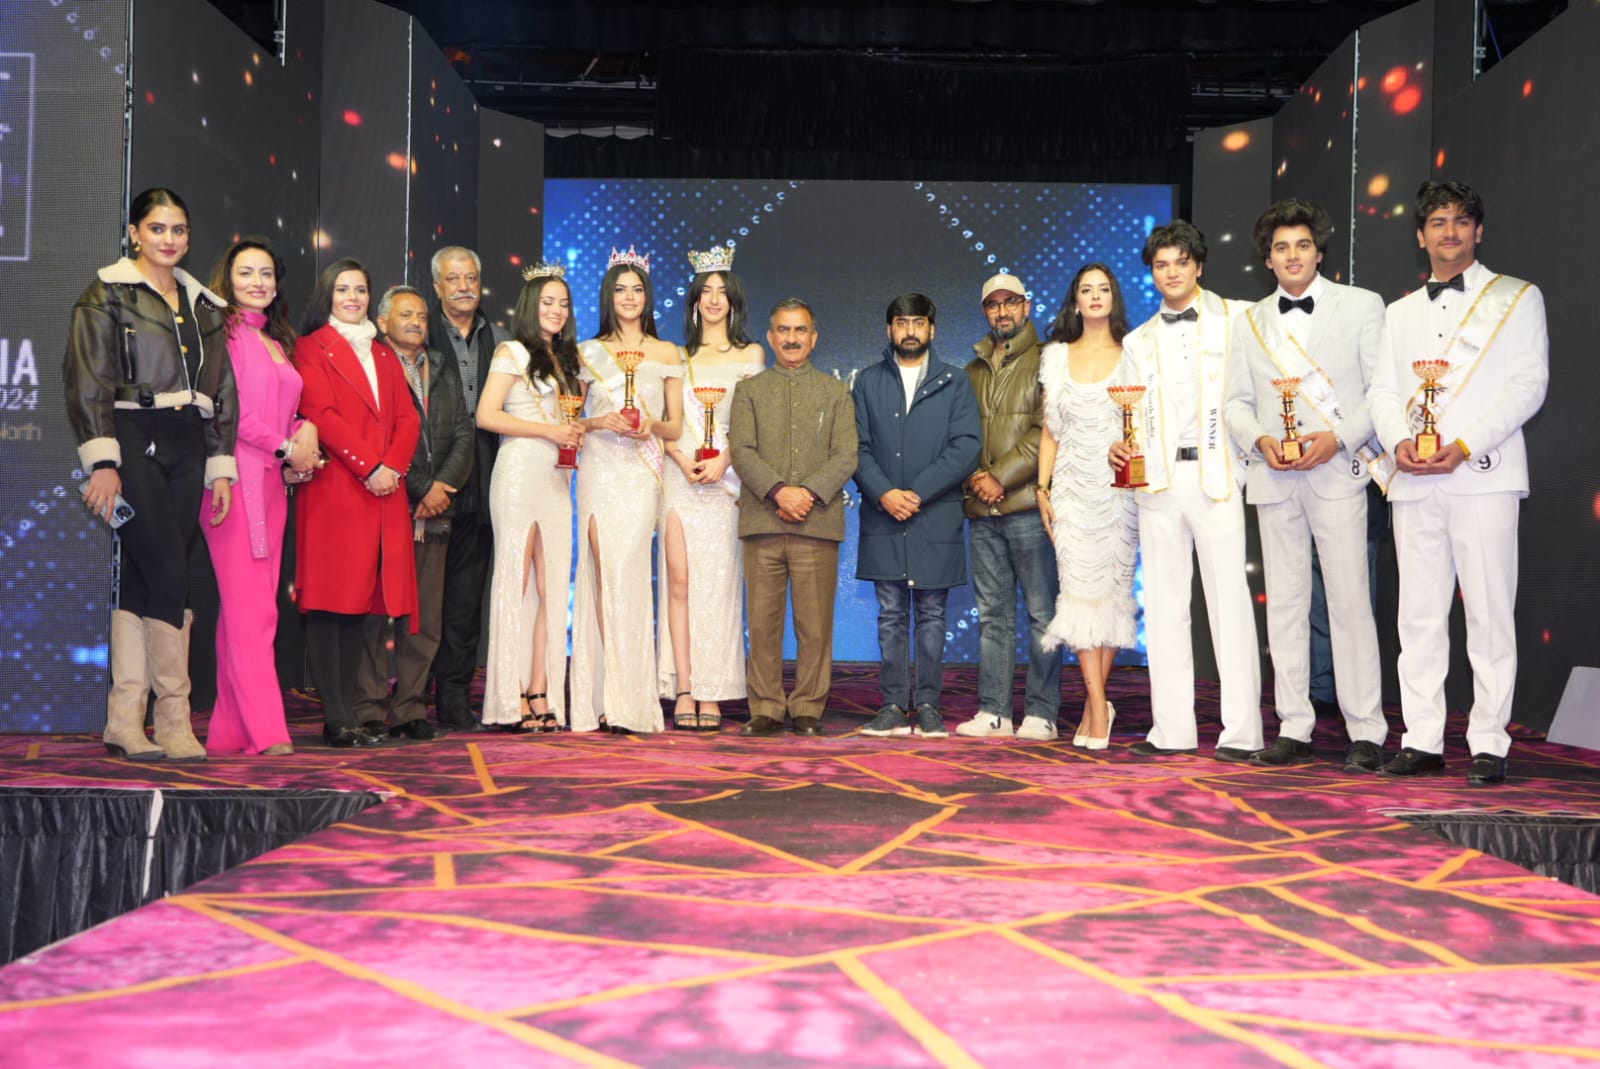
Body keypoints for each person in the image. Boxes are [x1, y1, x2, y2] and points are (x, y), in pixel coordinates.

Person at [1368, 180, 1548, 786]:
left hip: (1483, 476)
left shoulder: (1518, 298)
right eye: (1438, 222)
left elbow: (1528, 385)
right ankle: (1421, 738)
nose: (1450, 232)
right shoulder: (1398, 313)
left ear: (1479, 230)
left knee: (1490, 615)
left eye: (1461, 221)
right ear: (1420, 236)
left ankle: (1489, 742)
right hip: (1414, 480)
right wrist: (1399, 441)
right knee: (1417, 616)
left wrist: (1464, 444)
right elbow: (1382, 391)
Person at [66, 187, 239, 762]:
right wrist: (103, 460)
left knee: (145, 578)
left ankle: (124, 721)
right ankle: (172, 719)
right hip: (131, 435)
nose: (169, 239)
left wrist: (220, 465)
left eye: (179, 229)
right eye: (158, 228)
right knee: (169, 573)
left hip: (189, 441)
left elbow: (221, 391)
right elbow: (87, 379)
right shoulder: (106, 293)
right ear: (135, 232)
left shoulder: (204, 305)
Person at [1223, 199, 1390, 771]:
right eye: (1280, 248)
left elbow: (1381, 391)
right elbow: (1235, 403)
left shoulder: (1362, 305)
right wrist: (1259, 440)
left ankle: (1366, 729)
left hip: (1338, 473)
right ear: (1267, 260)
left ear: (1319, 253)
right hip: (1275, 476)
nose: (1292, 256)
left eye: (1302, 245)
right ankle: (1293, 726)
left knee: (1349, 603)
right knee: (1287, 605)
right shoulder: (1248, 322)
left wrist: (1339, 438)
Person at [1109, 220, 1264, 761]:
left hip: (1216, 477)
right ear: (1151, 273)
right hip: (1157, 482)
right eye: (1161, 265)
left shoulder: (1239, 318)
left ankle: (1241, 733)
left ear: (1198, 265)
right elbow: (1125, 412)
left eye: (1180, 262)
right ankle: (1171, 730)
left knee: (1230, 602)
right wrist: (1119, 445)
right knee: (1165, 606)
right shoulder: (1137, 341)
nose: (1171, 273)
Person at [294, 258, 420, 747]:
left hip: (382, 492)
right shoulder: (311, 347)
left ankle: (347, 714)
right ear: (327, 295)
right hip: (338, 489)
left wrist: (393, 468)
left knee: (362, 607)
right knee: (331, 605)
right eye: (343, 289)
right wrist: (370, 467)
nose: (352, 298)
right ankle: (336, 717)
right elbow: (320, 413)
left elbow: (408, 418)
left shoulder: (384, 354)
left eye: (360, 290)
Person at [201, 237, 318, 756]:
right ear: (228, 280)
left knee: (246, 612)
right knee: (253, 613)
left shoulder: (274, 339)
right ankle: (267, 730)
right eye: (246, 272)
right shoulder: (223, 333)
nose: (257, 282)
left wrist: (301, 436)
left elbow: (280, 411)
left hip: (271, 483)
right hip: (232, 483)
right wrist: (284, 446)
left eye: (266, 273)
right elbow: (229, 410)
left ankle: (229, 732)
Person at [854, 293, 981, 739]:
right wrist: (885, 493)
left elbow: (966, 446)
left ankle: (928, 706)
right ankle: (891, 705)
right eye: (902, 322)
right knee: (890, 615)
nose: (910, 330)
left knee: (932, 615)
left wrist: (918, 493)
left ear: (932, 329)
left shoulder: (955, 381)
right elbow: (857, 447)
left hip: (935, 515)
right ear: (889, 329)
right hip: (883, 514)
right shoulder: (867, 381)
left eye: (918, 322)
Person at [729, 298, 857, 737]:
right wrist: (779, 492)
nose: (791, 338)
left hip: (816, 524)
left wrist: (808, 494)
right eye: (783, 330)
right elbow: (741, 451)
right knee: (762, 624)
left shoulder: (836, 392)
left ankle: (807, 706)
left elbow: (847, 455)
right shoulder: (749, 391)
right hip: (763, 521)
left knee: (814, 625)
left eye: (800, 330)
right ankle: (765, 706)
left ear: (814, 338)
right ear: (770, 337)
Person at [351, 285, 474, 741]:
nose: (416, 323)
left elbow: (463, 433)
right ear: (382, 322)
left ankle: (410, 709)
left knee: (425, 618)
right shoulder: (370, 366)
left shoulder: (440, 367)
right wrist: (423, 486)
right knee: (373, 613)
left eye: (421, 316)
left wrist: (442, 488)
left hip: (434, 512)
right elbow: (381, 439)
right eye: (405, 315)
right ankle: (368, 708)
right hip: (384, 504)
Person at [571, 247, 684, 734]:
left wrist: (650, 425)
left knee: (629, 575)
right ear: (608, 295)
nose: (629, 297)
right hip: (599, 469)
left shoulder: (667, 352)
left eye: (637, 289)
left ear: (648, 296)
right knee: (602, 576)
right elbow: (571, 419)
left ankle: (631, 699)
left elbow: (676, 426)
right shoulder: (585, 351)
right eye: (620, 289)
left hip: (640, 475)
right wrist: (601, 421)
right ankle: (603, 696)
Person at [658, 246, 764, 732]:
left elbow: (752, 422)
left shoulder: (750, 354)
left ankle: (713, 689)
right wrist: (681, 459)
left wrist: (726, 460)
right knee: (678, 584)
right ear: (695, 300)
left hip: (726, 481)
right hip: (679, 477)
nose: (715, 299)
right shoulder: (674, 355)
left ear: (734, 301)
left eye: (723, 291)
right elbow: (664, 422)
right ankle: (684, 686)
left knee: (718, 587)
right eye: (707, 291)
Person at [954, 273, 1063, 741]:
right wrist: (976, 481)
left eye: (1011, 302)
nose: (1002, 311)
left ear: (1027, 306)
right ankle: (994, 711)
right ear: (986, 312)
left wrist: (1000, 476)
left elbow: (1048, 429)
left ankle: (1041, 712)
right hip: (983, 513)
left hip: (1029, 508)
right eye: (994, 304)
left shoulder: (1050, 360)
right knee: (992, 616)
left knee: (1042, 614)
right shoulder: (972, 370)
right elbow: (959, 437)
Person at [1035, 264, 1139, 750]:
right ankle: (1098, 706)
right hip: (1071, 493)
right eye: (1086, 289)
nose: (1095, 296)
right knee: (1077, 596)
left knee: (1111, 598)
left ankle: (1096, 706)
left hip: (1120, 493)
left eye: (1103, 289)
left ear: (1113, 297)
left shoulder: (1135, 353)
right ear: (1075, 301)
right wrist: (1042, 489)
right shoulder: (1055, 357)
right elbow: (1050, 432)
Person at [476, 264, 584, 732]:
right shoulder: (511, 352)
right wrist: (548, 431)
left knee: (552, 588)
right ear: (530, 306)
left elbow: (571, 421)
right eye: (548, 302)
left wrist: (576, 432)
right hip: (519, 473)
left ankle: (542, 690)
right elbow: (486, 415)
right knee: (514, 584)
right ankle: (511, 694)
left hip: (557, 479)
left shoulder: (567, 361)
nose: (557, 310)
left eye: (563, 303)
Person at [428, 246, 507, 731]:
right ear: (437, 286)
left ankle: (454, 698)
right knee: (422, 596)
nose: (463, 287)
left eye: (471, 278)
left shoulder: (500, 339)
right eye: (453, 279)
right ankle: (410, 697)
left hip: (485, 479)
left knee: (465, 597)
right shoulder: (419, 332)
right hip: (428, 480)